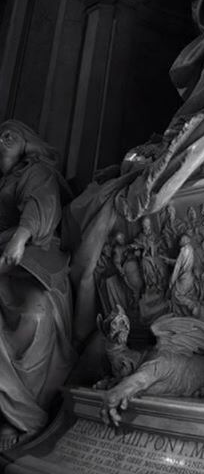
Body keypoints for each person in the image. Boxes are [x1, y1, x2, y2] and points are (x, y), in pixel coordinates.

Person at [0, 120, 76, 451]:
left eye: (9, 136)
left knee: (35, 315)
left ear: (28, 144)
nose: (1, 141)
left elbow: (41, 204)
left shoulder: (37, 172)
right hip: (4, 266)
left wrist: (20, 237)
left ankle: (23, 416)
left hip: (34, 261)